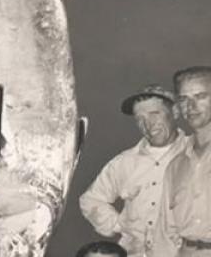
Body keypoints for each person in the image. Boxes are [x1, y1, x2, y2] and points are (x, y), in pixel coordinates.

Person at [80, 84, 187, 257]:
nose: (148, 124)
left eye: (154, 114)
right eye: (140, 118)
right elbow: (90, 200)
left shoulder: (198, 155)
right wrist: (118, 225)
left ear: (175, 112)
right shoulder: (124, 162)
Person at [150, 66, 211, 257]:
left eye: (200, 96)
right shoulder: (176, 166)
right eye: (184, 99)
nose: (191, 107)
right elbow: (165, 233)